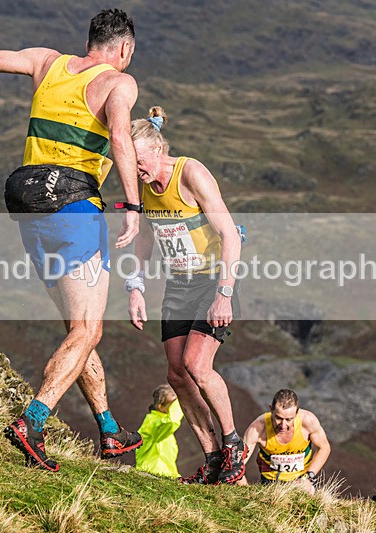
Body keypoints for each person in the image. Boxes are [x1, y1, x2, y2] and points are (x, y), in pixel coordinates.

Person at [0, 8, 143, 472]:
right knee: (88, 330)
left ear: (90, 40)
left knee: (76, 331)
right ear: (123, 48)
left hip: (25, 199)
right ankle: (33, 420)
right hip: (74, 205)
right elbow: (120, 137)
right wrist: (135, 208)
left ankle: (108, 432)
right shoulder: (119, 83)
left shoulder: (47, 61)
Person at [127, 107, 247, 485]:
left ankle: (233, 444)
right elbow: (145, 239)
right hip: (179, 282)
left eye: (141, 162)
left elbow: (230, 235)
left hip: (214, 280)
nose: (137, 170)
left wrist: (224, 295)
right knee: (176, 374)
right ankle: (212, 458)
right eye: (130, 163)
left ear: (159, 151)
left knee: (197, 364)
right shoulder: (142, 185)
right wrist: (136, 287)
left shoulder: (191, 173)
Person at [239, 389, 331, 494]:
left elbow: (324, 447)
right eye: (278, 418)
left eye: (288, 420)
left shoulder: (308, 421)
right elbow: (237, 464)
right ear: (271, 410)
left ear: (297, 414)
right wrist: (246, 492)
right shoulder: (258, 428)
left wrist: (308, 476)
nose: (283, 425)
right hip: (270, 483)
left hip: (302, 480)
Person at [135, 384, 184, 478]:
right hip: (152, 473)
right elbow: (172, 421)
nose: (177, 405)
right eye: (174, 402)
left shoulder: (162, 426)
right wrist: (182, 399)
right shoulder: (152, 423)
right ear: (160, 407)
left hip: (167, 475)